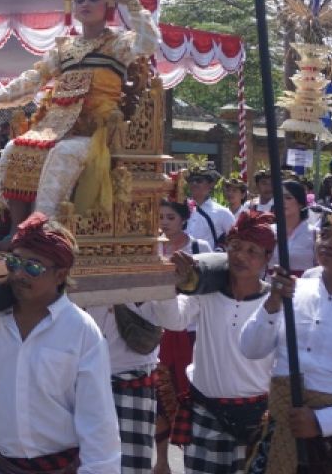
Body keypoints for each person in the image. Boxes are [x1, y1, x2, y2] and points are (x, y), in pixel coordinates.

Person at [0, 0, 159, 232]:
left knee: (61, 154)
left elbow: (149, 42)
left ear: (107, 3)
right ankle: (14, 229)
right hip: (54, 126)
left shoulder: (119, 43)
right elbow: (31, 81)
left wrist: (131, 1)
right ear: (73, 6)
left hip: (98, 130)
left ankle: (41, 230)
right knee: (14, 148)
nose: (86, 3)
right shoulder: (63, 48)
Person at [0, 213, 120, 473]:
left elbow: (98, 422)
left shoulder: (81, 331)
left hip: (58, 465)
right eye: (14, 262)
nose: (19, 274)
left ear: (60, 275)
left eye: (33, 266)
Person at [240, 200, 332, 473]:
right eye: (325, 234)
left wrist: (323, 421)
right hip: (281, 430)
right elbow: (250, 348)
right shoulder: (290, 291)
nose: (328, 243)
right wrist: (271, 305)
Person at [166, 211, 276, 473]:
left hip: (256, 416)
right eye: (235, 247)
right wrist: (167, 283)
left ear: (266, 258)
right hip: (207, 410)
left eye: (252, 251)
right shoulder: (207, 292)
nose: (241, 256)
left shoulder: (275, 302)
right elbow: (174, 320)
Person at [86, 296, 179, 474]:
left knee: (132, 466)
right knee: (92, 463)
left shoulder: (150, 278)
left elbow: (174, 320)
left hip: (135, 382)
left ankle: (162, 462)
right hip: (90, 380)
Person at [153, 198, 210, 474]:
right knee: (161, 396)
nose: (164, 222)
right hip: (159, 329)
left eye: (171, 217)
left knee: (188, 392)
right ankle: (161, 461)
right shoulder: (152, 248)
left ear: (183, 220)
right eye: (160, 216)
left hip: (190, 330)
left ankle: (191, 458)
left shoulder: (200, 248)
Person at [185, 169, 235, 251]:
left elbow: (235, 239)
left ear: (211, 185)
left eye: (199, 181)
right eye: (191, 181)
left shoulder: (222, 213)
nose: (194, 183)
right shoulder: (183, 210)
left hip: (206, 261)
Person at [277, 180, 317, 274]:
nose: (282, 201)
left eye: (288, 198)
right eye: (279, 197)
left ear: (300, 203)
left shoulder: (314, 233)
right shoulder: (268, 231)